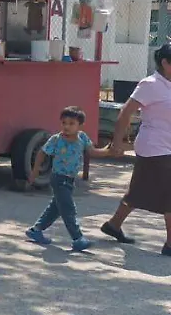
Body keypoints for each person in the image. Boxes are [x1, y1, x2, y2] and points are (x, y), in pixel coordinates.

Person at [102, 43, 171, 256]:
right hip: (155, 147)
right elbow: (125, 112)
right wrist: (118, 143)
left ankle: (114, 224)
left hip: (167, 146)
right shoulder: (150, 84)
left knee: (139, 190)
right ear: (165, 63)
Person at [25, 106, 109, 251]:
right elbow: (42, 153)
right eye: (64, 123)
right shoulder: (56, 140)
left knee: (56, 208)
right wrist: (35, 171)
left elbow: (92, 151)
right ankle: (78, 238)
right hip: (59, 179)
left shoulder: (82, 137)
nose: (67, 127)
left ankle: (36, 230)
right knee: (68, 209)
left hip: (70, 180)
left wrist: (109, 151)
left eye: (71, 123)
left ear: (79, 125)